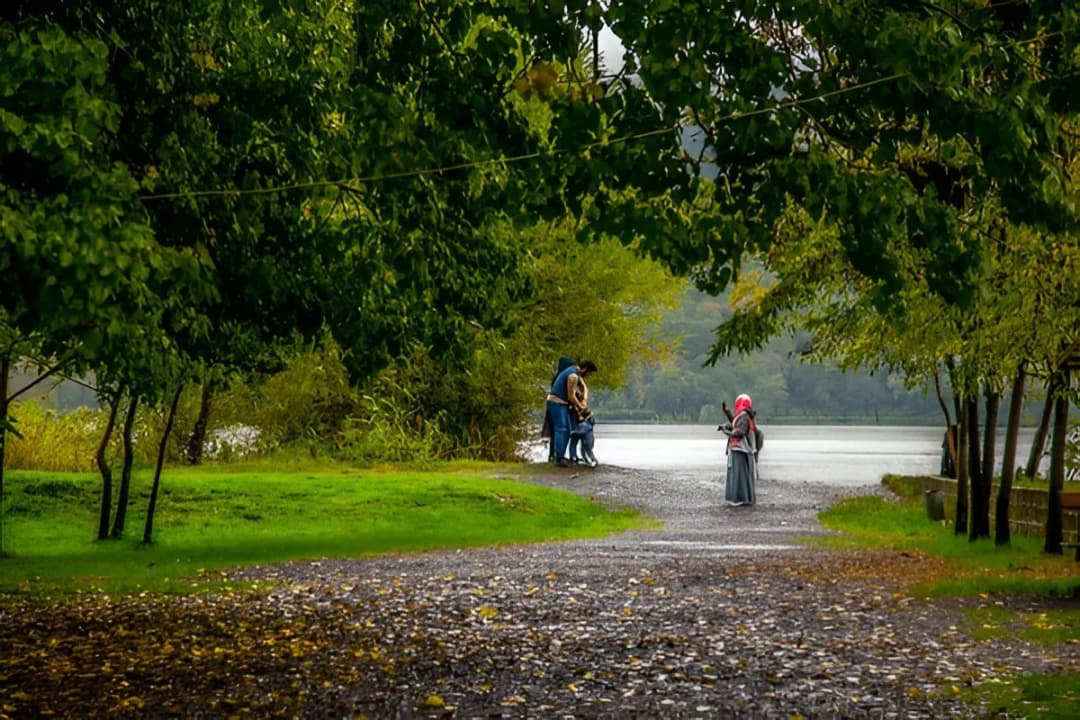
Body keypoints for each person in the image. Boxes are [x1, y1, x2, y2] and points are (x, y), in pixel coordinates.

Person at [546, 359, 597, 467]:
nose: (587, 376)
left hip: (561, 403)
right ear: (585, 369)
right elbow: (571, 396)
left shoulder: (573, 371)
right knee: (562, 429)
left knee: (567, 429)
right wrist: (582, 407)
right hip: (557, 402)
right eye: (588, 373)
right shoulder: (573, 375)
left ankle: (560, 456)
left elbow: (583, 387)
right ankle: (559, 458)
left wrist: (584, 396)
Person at [719, 393, 757, 506]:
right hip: (739, 448)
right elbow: (736, 423)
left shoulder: (744, 416)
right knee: (738, 474)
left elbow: (739, 431)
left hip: (741, 449)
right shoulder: (744, 415)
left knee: (739, 475)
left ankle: (740, 498)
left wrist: (726, 432)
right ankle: (740, 498)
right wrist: (727, 413)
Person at [542, 356, 574, 463]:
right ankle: (555, 455)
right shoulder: (562, 377)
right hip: (558, 404)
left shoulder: (558, 376)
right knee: (558, 430)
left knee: (555, 431)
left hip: (554, 405)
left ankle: (555, 454)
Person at [568, 371, 597, 467]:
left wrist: (573, 432)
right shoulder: (577, 404)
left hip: (581, 427)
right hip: (579, 424)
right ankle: (575, 457)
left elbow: (585, 389)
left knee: (585, 447)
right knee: (576, 443)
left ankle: (590, 460)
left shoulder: (582, 404)